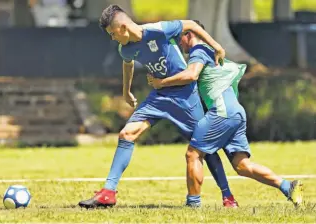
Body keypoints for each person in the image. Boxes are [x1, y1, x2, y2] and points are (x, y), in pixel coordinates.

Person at [78, 5, 238, 209]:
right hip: (158, 95)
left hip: (185, 95)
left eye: (112, 33)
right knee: (126, 134)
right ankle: (108, 192)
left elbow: (189, 24)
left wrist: (216, 46)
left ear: (124, 27)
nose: (112, 38)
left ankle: (228, 196)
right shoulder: (125, 48)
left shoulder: (158, 30)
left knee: (203, 147)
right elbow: (128, 64)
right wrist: (126, 91)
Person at [147, 20, 304, 207]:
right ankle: (288, 187)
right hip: (236, 111)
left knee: (193, 155)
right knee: (242, 166)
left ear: (189, 34)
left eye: (181, 38)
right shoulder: (210, 52)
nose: (180, 44)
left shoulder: (199, 51)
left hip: (222, 111)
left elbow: (191, 75)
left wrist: (161, 83)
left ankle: (193, 204)